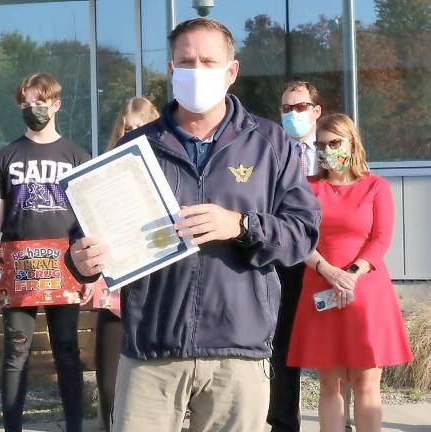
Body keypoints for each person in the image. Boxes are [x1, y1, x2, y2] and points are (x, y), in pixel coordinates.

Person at [68, 18, 321, 432]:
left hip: (238, 352)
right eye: (186, 61)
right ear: (170, 70)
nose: (196, 70)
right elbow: (87, 231)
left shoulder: (268, 142)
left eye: (208, 61)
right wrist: (82, 256)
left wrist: (241, 225)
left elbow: (302, 233)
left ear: (231, 71)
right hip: (152, 351)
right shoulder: (136, 146)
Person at [0, 72, 90, 432]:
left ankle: (75, 425)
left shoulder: (76, 155)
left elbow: (90, 216)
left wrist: (93, 272)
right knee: (16, 351)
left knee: (66, 350)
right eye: (25, 103)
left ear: (56, 104)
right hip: (16, 267)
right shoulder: (4, 156)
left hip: (66, 266)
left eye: (39, 102)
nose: (32, 108)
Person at [288, 114, 413, 432]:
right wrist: (328, 270)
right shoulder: (309, 188)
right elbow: (301, 238)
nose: (328, 150)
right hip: (321, 287)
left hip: (367, 292)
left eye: (335, 143)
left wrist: (352, 274)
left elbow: (381, 238)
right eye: (322, 144)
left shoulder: (376, 186)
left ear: (352, 144)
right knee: (331, 384)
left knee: (367, 385)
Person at [94, 96, 160, 431]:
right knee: (108, 380)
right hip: (115, 292)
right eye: (127, 127)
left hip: (156, 291)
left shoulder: (168, 170)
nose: (132, 133)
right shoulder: (105, 170)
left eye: (140, 127)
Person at [268, 81, 322, 432]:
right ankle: (284, 423)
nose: (293, 115)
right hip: (286, 264)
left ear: (316, 110)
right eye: (287, 109)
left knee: (335, 348)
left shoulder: (336, 149)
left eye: (300, 107)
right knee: (282, 347)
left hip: (327, 265)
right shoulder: (273, 152)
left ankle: (338, 422)